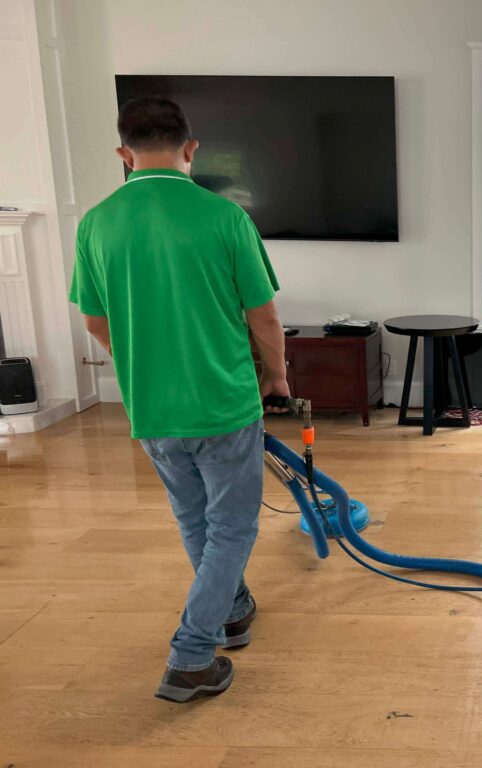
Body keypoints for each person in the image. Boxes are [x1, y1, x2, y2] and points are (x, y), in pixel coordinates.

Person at [69, 96, 290, 703]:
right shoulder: (225, 216)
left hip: (152, 408)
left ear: (124, 154)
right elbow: (263, 316)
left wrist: (141, 366)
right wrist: (278, 378)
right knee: (233, 527)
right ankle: (192, 655)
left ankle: (233, 607)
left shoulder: (96, 222)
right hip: (221, 402)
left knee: (196, 520)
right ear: (191, 148)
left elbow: (94, 320)